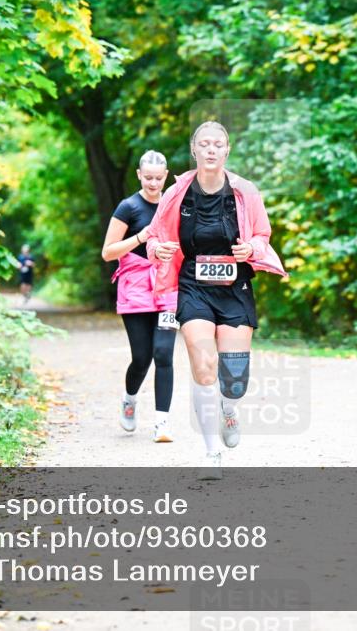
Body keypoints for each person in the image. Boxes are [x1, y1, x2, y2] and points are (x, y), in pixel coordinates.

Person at [145, 121, 287, 479]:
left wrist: (250, 248)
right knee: (203, 364)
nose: (211, 150)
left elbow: (262, 235)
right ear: (194, 150)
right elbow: (155, 236)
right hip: (193, 283)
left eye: (218, 144)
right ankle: (211, 453)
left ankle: (230, 407)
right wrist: (157, 249)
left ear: (227, 151)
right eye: (204, 144)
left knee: (234, 378)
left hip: (234, 286)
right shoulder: (177, 192)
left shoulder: (245, 191)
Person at [101, 150, 179, 443]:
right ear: (138, 175)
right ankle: (130, 399)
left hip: (167, 285)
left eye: (159, 178)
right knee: (142, 357)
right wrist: (140, 237)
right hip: (135, 286)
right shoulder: (128, 207)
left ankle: (162, 423)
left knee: (164, 354)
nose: (153, 183)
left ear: (166, 176)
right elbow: (108, 252)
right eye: (148, 178)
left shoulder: (172, 206)